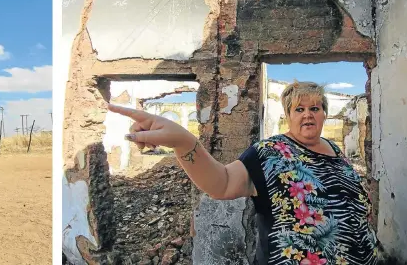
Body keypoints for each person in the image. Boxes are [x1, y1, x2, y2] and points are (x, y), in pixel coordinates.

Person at [108, 81, 378, 265]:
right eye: (299, 109)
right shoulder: (270, 152)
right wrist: (185, 143)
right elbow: (222, 184)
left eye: (314, 108)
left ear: (324, 115)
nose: (307, 115)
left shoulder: (334, 149)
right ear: (288, 115)